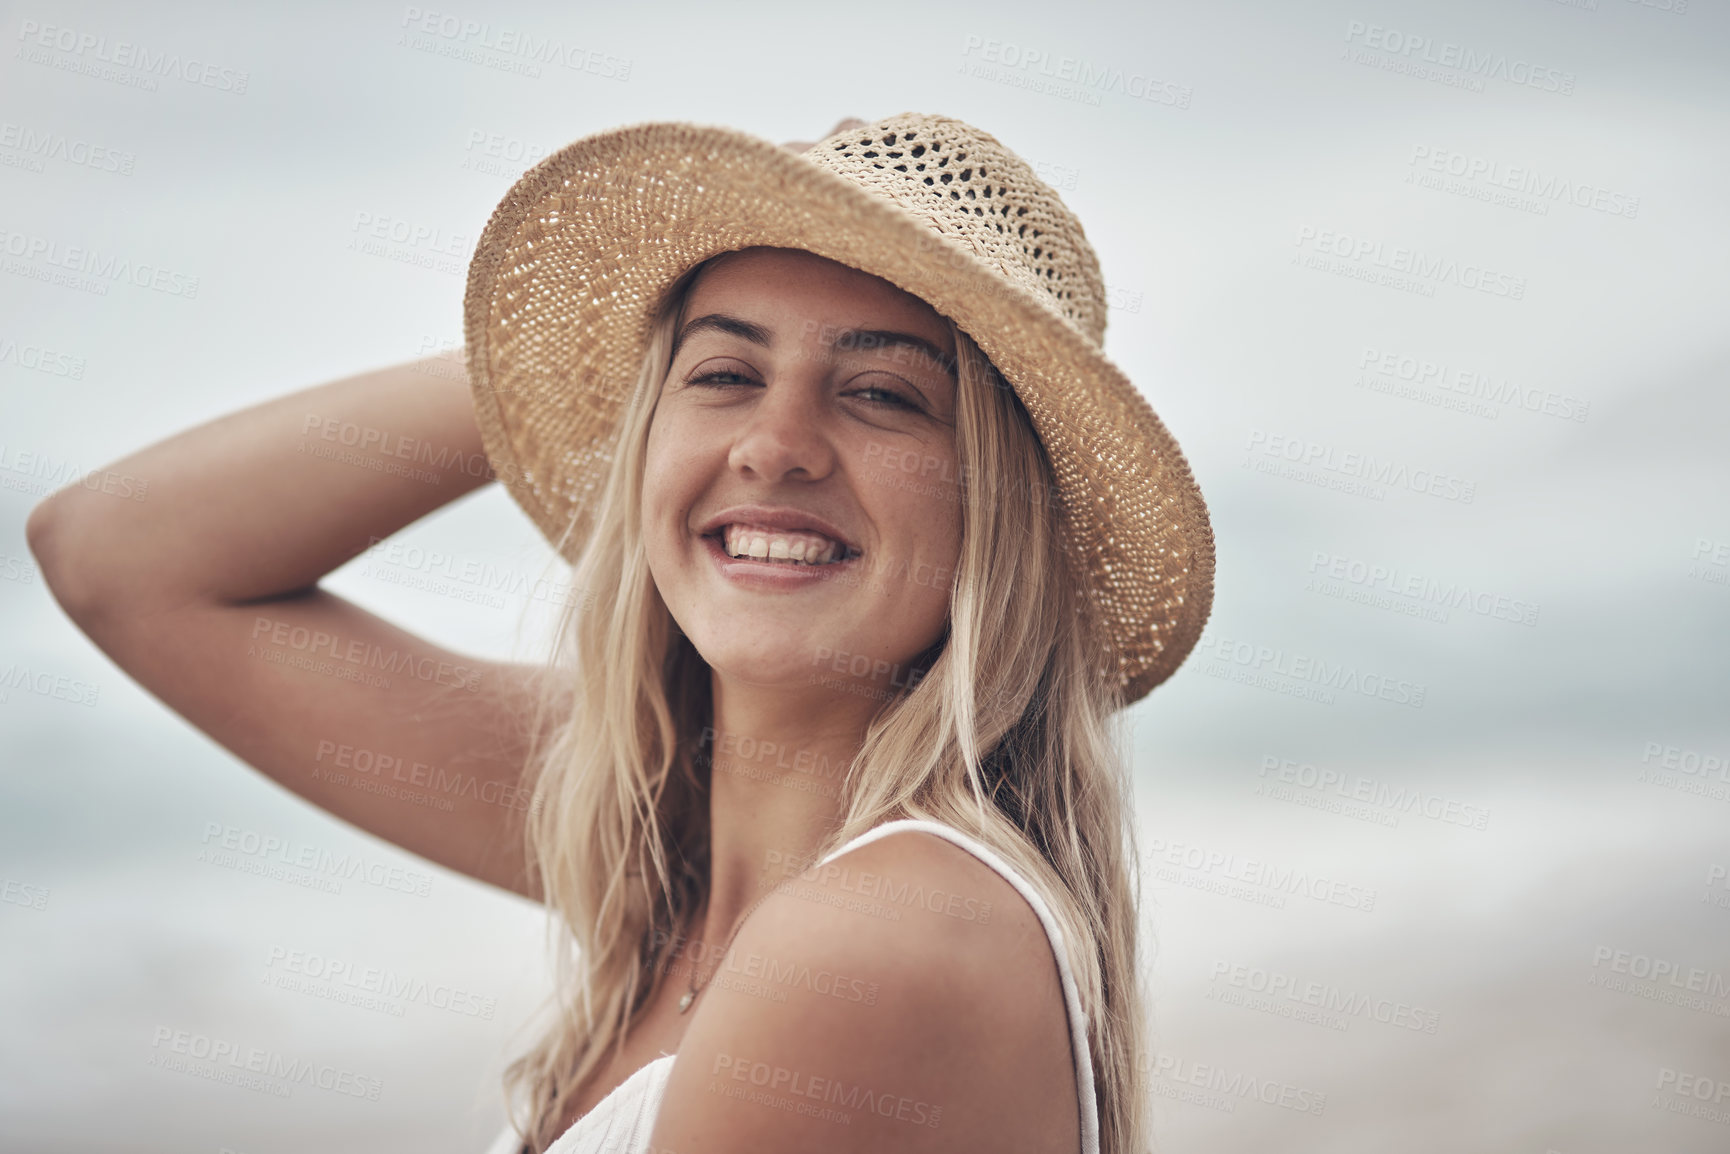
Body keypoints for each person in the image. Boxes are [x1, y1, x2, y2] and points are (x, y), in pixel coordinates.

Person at [27, 112, 1215, 1154]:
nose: (773, 443)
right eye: (723, 375)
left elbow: (123, 565)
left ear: (999, 510)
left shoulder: (872, 942)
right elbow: (114, 557)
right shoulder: (659, 822)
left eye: (883, 392)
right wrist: (593, 352)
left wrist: (664, 353)